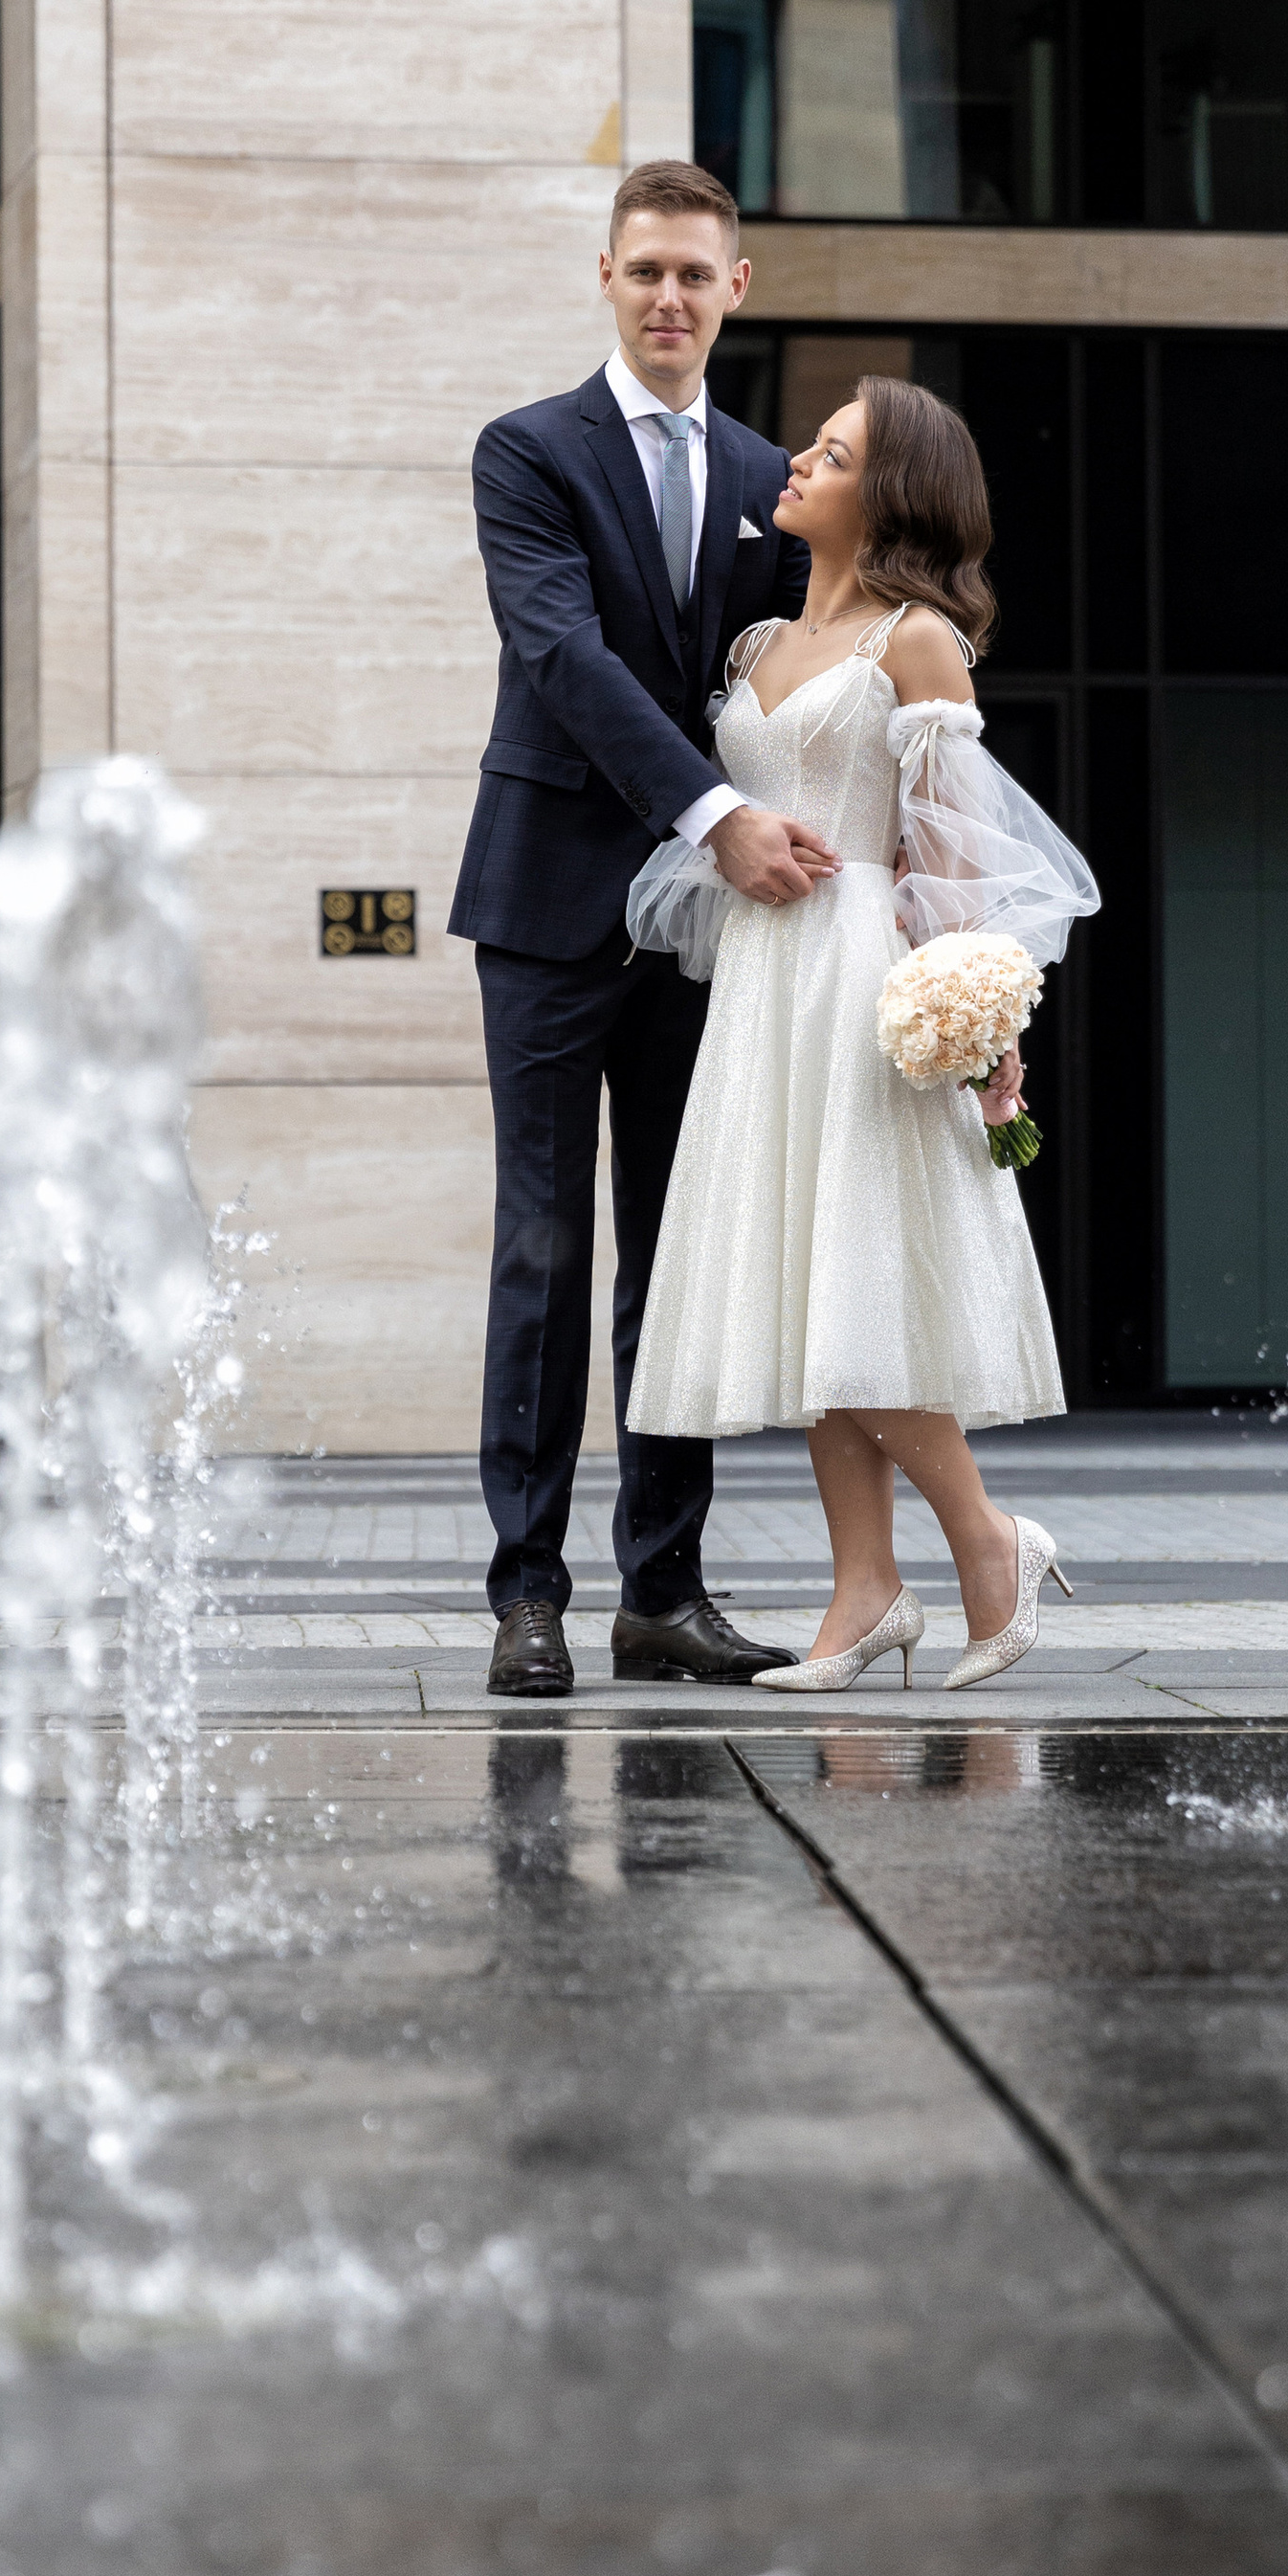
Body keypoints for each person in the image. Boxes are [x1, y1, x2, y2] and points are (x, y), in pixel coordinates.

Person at [626, 377, 1099, 1693]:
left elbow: (951, 857)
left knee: (859, 1296)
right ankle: (865, 1594)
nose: (796, 460)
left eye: (829, 454)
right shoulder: (754, 644)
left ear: (882, 498)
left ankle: (985, 1541)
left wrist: (973, 1018)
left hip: (860, 985)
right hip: (764, 986)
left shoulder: (918, 642)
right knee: (811, 1292)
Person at [453, 159, 833, 1699]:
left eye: (696, 274)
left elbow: (789, 679)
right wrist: (716, 817)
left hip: (710, 936)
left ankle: (660, 1592)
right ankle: (527, 1594)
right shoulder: (527, 453)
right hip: (550, 905)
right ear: (601, 277)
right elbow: (563, 654)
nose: (669, 297)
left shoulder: (775, 477)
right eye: (644, 272)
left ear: (736, 289)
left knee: (680, 1260)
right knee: (544, 1253)